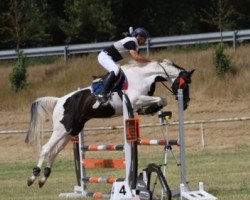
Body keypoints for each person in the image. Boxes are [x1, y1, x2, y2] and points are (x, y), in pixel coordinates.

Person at [97, 27, 153, 103]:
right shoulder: (131, 42)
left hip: (110, 58)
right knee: (115, 70)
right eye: (144, 38)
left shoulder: (135, 45)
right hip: (104, 56)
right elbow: (136, 58)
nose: (145, 40)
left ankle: (112, 91)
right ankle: (102, 94)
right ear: (139, 36)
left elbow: (139, 61)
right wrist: (151, 61)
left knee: (121, 71)